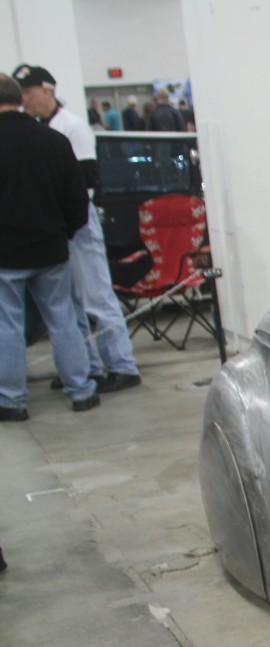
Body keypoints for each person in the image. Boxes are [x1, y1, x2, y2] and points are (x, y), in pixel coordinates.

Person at [12, 64, 140, 394]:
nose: (24, 100)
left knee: (97, 296)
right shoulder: (40, 128)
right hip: (56, 226)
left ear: (47, 91)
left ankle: (122, 364)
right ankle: (85, 366)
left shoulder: (72, 127)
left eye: (28, 92)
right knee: (69, 304)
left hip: (78, 222)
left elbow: (85, 183)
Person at [0, 73, 98, 418]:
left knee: (7, 326)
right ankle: (81, 391)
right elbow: (77, 198)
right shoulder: (54, 140)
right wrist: (64, 233)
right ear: (20, 99)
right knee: (63, 320)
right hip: (51, 249)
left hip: (5, 254)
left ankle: (11, 400)